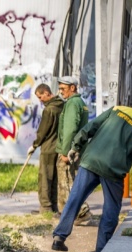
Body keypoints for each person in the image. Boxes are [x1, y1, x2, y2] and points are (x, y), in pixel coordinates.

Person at [51, 95, 132, 252]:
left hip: (90, 161)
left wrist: (76, 146)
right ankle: (102, 251)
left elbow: (91, 126)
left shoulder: (117, 109)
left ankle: (59, 237)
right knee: (111, 209)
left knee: (75, 198)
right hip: (113, 171)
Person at [55, 76, 93, 225]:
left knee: (67, 182)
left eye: (63, 89)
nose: (61, 92)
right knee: (73, 181)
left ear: (72, 88)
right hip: (76, 150)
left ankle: (80, 213)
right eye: (60, 89)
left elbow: (70, 129)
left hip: (69, 151)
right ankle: (74, 214)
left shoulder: (72, 103)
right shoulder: (80, 103)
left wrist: (65, 152)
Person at [27, 84, 64, 214]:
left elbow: (43, 131)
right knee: (55, 178)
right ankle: (53, 206)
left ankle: (46, 207)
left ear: (47, 93)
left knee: (45, 178)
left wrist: (35, 145)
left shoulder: (49, 110)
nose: (40, 100)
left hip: (48, 148)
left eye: (40, 96)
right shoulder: (62, 106)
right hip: (59, 147)